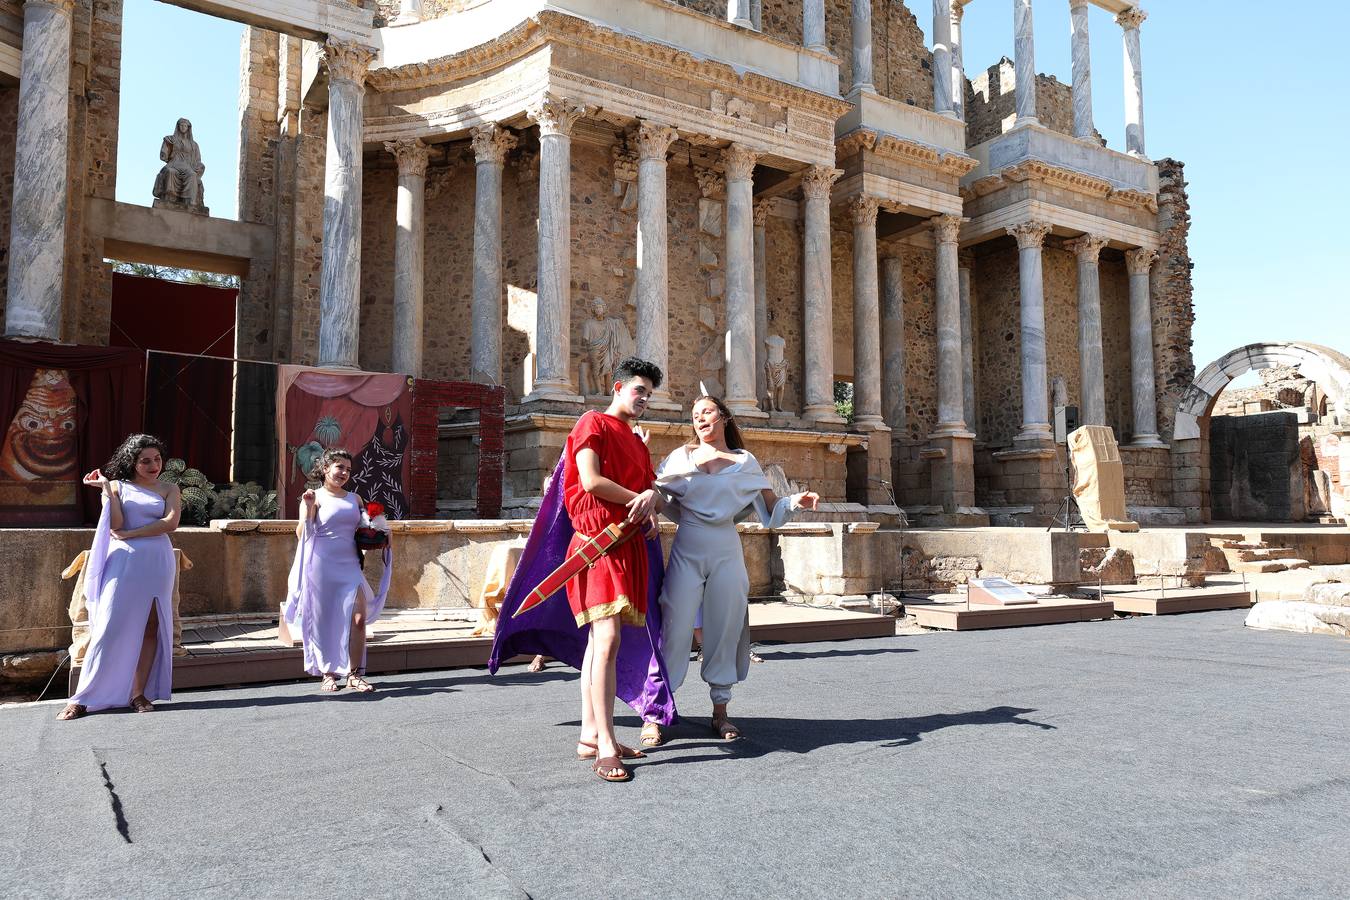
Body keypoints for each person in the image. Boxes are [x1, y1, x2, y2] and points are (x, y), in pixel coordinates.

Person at [489, 356, 678, 784]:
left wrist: (652, 504)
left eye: (650, 393)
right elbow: (590, 480)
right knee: (607, 638)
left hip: (627, 549)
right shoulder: (592, 422)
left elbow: (654, 493)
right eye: (639, 390)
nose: (644, 399)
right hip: (595, 547)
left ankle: (591, 735)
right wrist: (642, 496)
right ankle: (608, 744)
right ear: (617, 388)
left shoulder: (637, 441)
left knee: (601, 643)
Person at [640, 396, 818, 746]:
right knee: (673, 627)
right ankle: (655, 712)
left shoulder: (745, 461)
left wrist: (796, 502)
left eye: (705, 411)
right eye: (694, 415)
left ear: (723, 417)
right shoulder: (680, 457)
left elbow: (771, 511)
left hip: (726, 551)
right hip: (687, 548)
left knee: (724, 628)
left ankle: (720, 712)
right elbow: (656, 495)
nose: (699, 418)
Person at [58, 434, 181, 719]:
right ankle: (82, 698)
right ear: (132, 462)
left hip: (157, 561)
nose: (153, 465)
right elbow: (116, 525)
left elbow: (170, 523)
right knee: (107, 627)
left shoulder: (169, 488)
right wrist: (105, 490)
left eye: (157, 459)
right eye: (145, 461)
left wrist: (134, 534)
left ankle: (138, 694)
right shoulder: (116, 486)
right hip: (123, 561)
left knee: (151, 627)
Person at [284, 448, 392, 693]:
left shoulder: (355, 499)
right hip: (321, 566)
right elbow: (302, 534)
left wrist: (382, 529)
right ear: (325, 469)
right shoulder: (314, 496)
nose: (344, 473)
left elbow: (367, 528)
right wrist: (309, 507)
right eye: (339, 467)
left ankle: (354, 675)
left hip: (350, 565)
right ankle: (327, 673)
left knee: (358, 618)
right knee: (325, 620)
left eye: (348, 469)